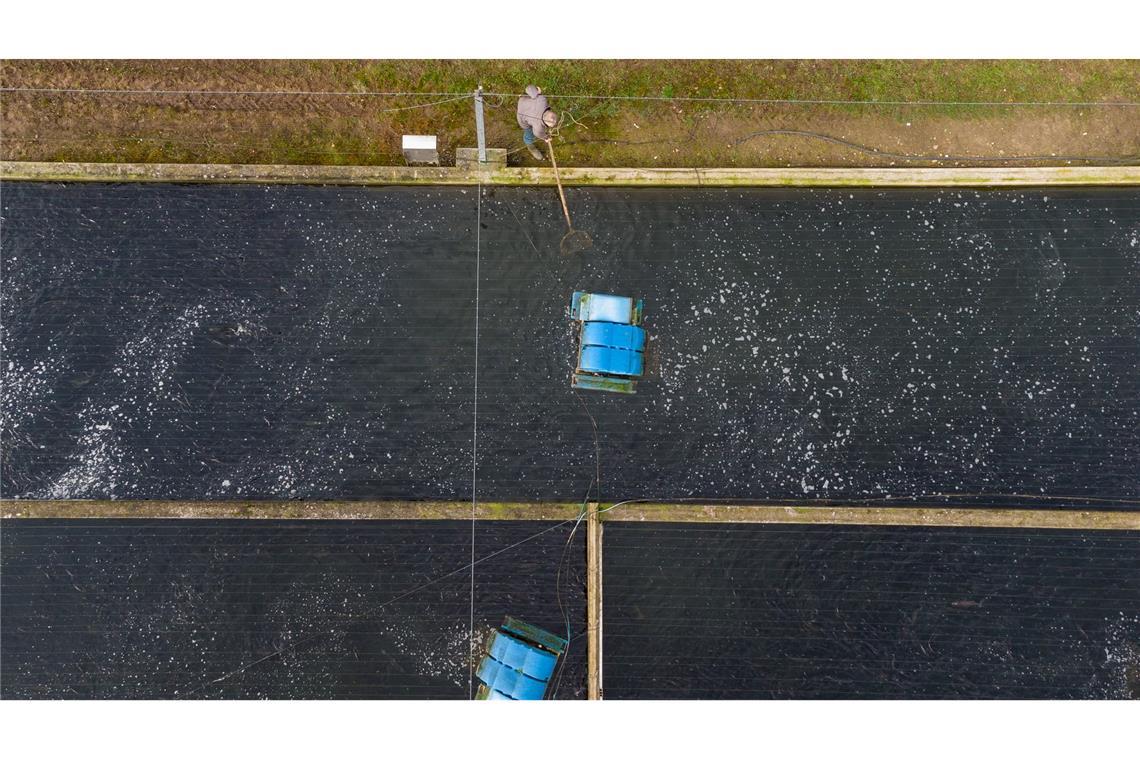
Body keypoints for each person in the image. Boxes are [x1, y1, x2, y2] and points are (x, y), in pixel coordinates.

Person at [516, 84, 559, 161]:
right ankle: (530, 147)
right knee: (529, 134)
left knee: (532, 98)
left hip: (522, 102)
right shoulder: (538, 128)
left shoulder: (542, 99)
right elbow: (538, 134)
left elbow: (528, 88)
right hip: (522, 118)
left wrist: (537, 92)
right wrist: (546, 138)